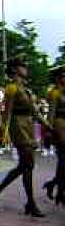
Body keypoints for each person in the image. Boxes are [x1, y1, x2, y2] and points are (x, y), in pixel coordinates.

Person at [0, 57, 50, 217]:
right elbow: (6, 114)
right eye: (23, 66)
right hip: (18, 128)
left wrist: (49, 126)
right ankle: (30, 203)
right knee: (28, 164)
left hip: (28, 126)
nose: (26, 68)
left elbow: (35, 112)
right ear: (15, 69)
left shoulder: (26, 89)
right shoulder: (11, 89)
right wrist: (3, 134)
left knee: (25, 166)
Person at [42, 65, 65, 205]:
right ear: (58, 78)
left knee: (63, 162)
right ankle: (60, 191)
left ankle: (54, 185)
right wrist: (49, 131)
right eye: (63, 76)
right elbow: (51, 114)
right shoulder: (54, 93)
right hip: (59, 125)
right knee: (63, 159)